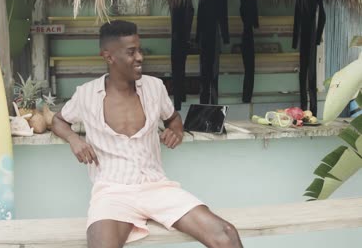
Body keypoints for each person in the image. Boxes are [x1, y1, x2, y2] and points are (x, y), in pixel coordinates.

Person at [52, 20, 243, 248]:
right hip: (112, 192)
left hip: (157, 187)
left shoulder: (155, 87)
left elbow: (173, 118)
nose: (140, 57)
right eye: (131, 52)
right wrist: (74, 139)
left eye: (140, 50)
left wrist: (176, 131)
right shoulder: (86, 94)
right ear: (108, 56)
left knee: (226, 234)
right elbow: (58, 120)